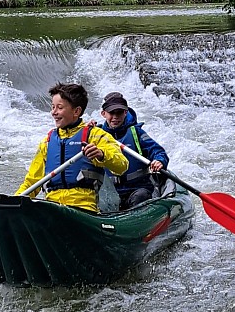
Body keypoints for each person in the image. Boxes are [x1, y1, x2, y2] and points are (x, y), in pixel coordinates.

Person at [15, 82, 128, 214]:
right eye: (53, 107)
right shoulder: (47, 142)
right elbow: (32, 182)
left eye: (59, 108)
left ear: (76, 111)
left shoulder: (95, 135)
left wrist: (101, 155)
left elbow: (122, 165)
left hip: (84, 209)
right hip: (52, 206)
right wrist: (14, 200)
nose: (54, 112)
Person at [99, 92, 169, 209]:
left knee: (140, 197)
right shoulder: (96, 135)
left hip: (137, 189)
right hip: (109, 193)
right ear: (103, 114)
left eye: (119, 112)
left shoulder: (136, 133)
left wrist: (159, 161)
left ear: (125, 112)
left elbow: (157, 151)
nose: (115, 117)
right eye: (111, 113)